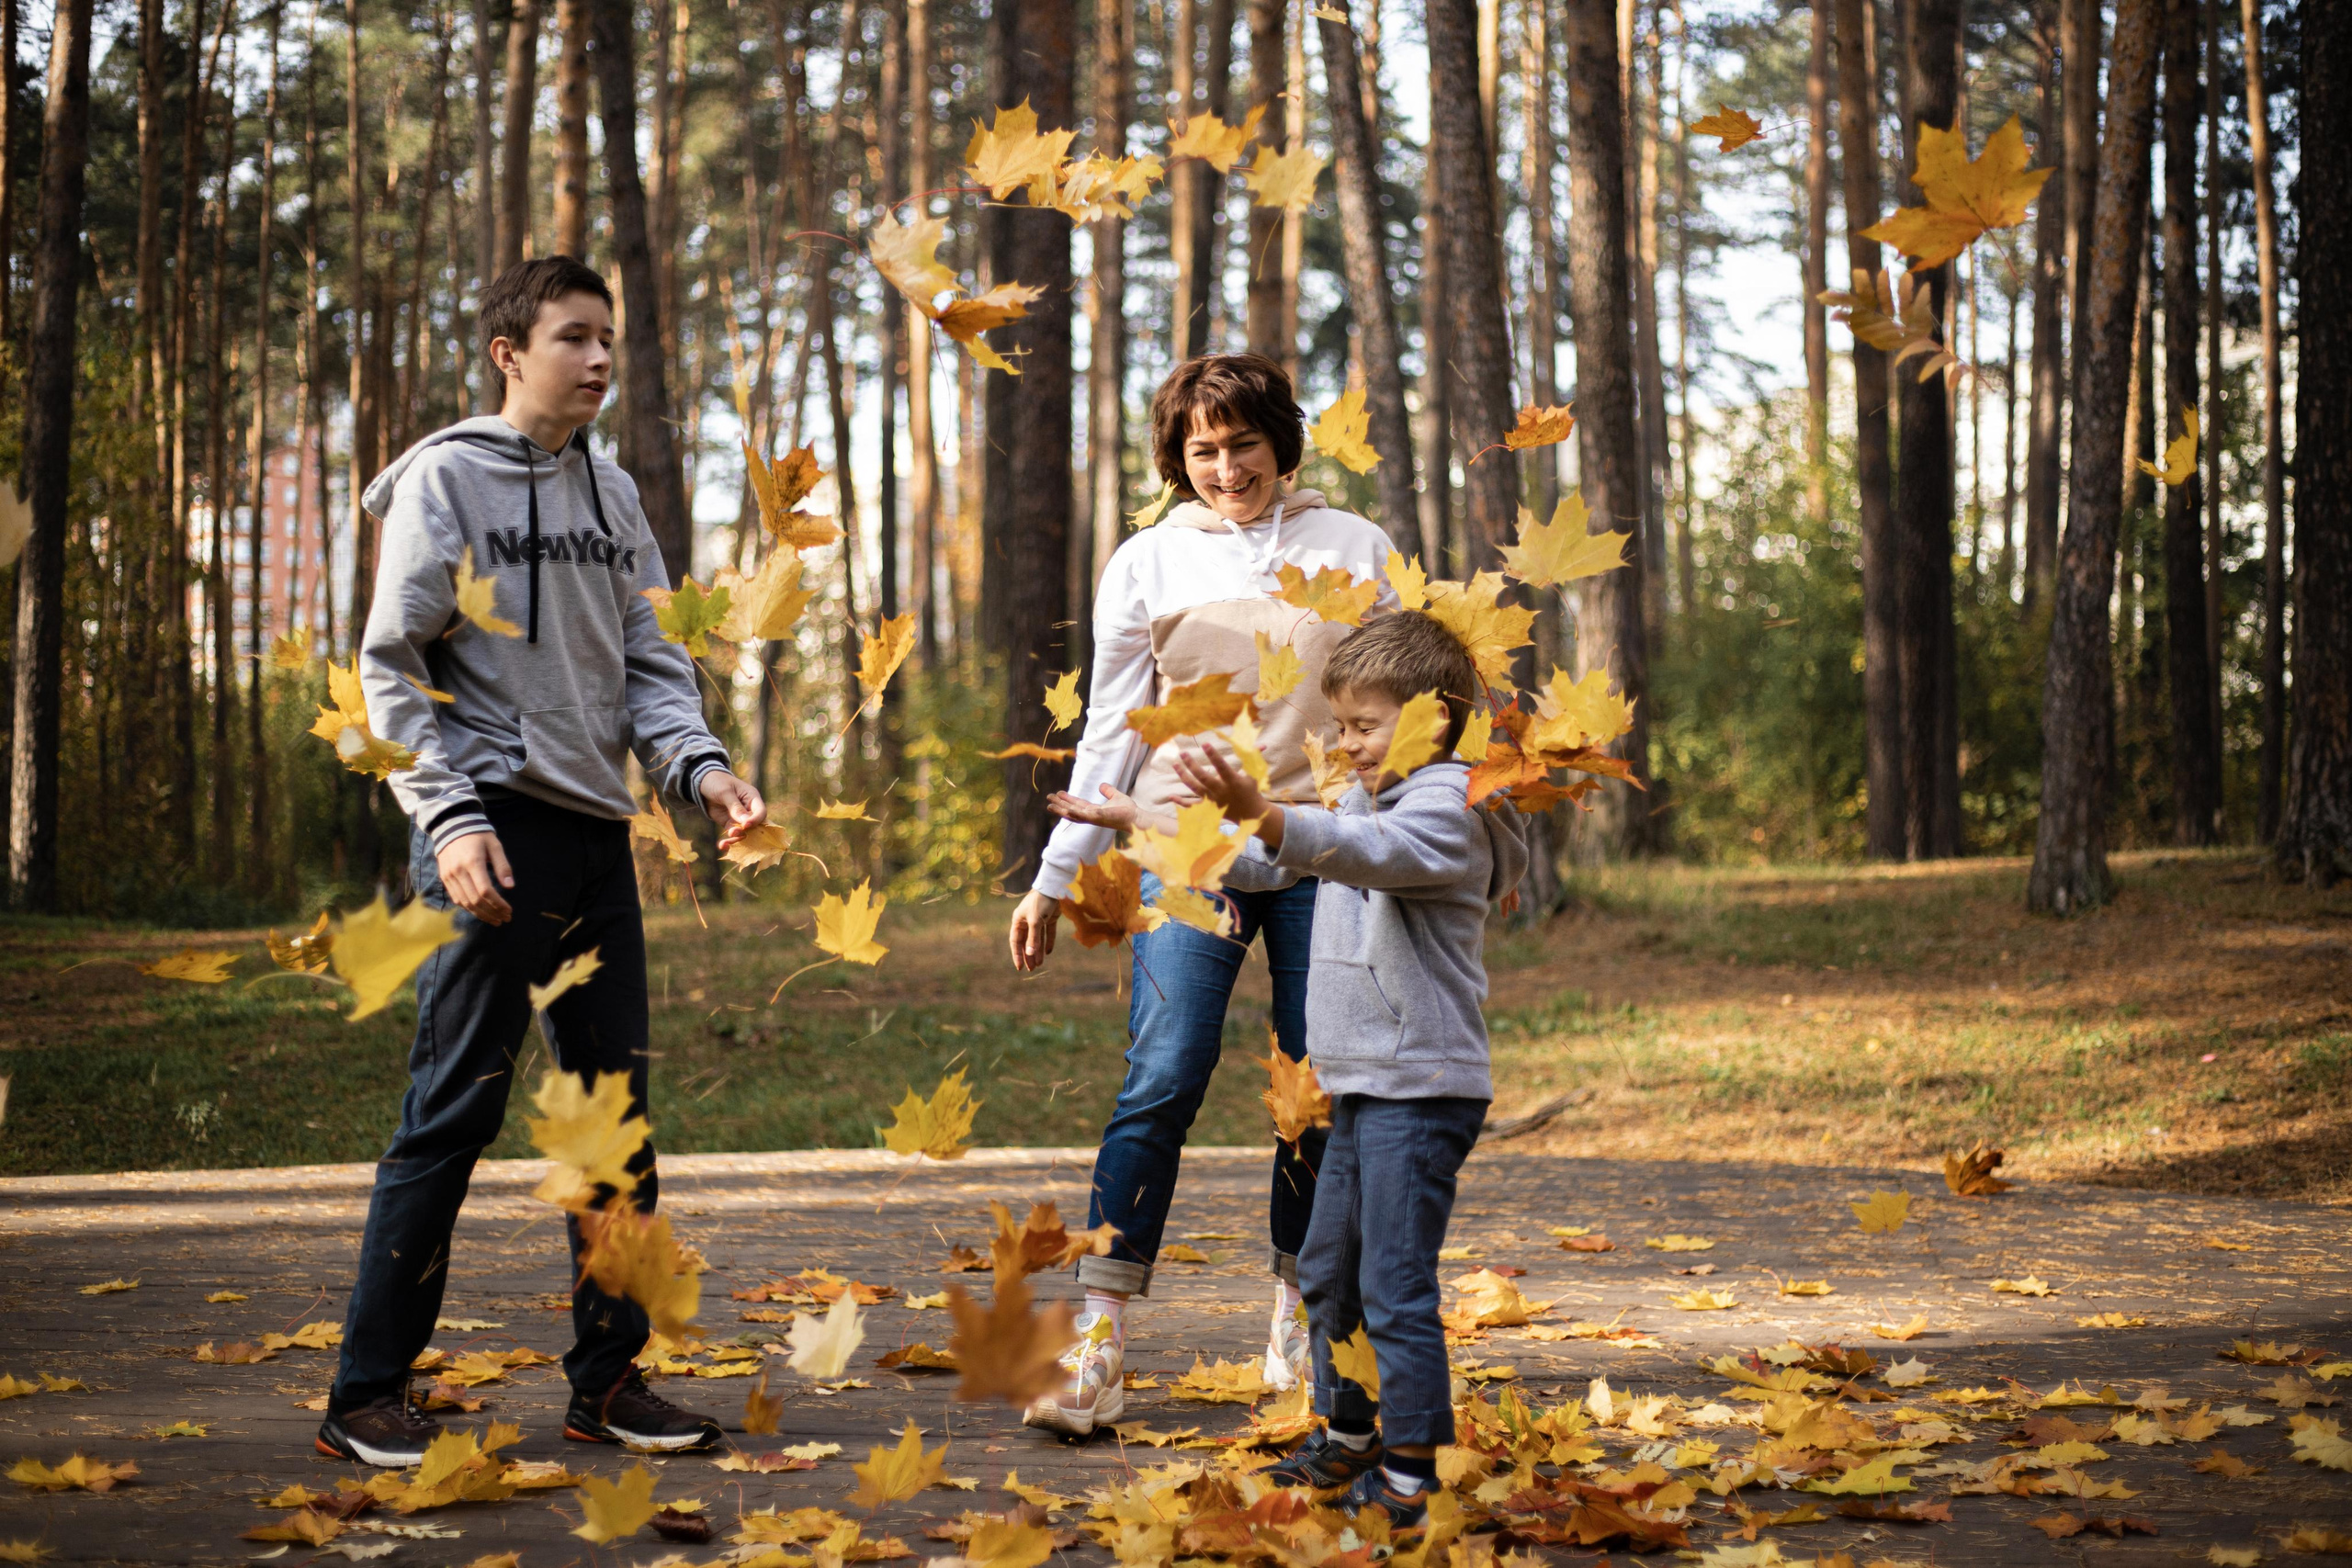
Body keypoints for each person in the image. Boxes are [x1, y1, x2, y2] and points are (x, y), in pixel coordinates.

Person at [317, 255, 766, 1467]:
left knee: (611, 1124)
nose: (600, 357)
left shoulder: (613, 495)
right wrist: (451, 821)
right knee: (450, 1112)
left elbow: (653, 658)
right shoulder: (447, 479)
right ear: (511, 351)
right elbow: (391, 660)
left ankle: (608, 1380)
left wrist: (701, 768)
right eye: (574, 336)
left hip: (594, 835)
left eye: (607, 337)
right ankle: (365, 1389)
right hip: (491, 832)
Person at [1010, 353, 1396, 1438]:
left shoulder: (1356, 548)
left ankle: (1298, 1319)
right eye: (1202, 450)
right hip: (1188, 857)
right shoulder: (1147, 562)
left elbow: (1402, 711)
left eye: (1242, 443)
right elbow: (1111, 728)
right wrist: (1053, 880)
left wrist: (1433, 837)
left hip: (1324, 850)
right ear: (1179, 460)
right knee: (1161, 1079)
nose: (1226, 467)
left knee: (1308, 1092)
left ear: (1280, 439)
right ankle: (1097, 1348)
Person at [1178, 611, 1526, 1528]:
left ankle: (1411, 1470)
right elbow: (1277, 863)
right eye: (1341, 725)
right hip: (1362, 1083)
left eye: (1365, 726)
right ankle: (1350, 1430)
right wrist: (1147, 827)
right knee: (1328, 1267)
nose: (1345, 744)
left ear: (1435, 721)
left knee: (1394, 1279)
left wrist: (1275, 816)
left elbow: (1362, 853)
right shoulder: (1368, 805)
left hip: (1424, 1086)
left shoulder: (1455, 810)